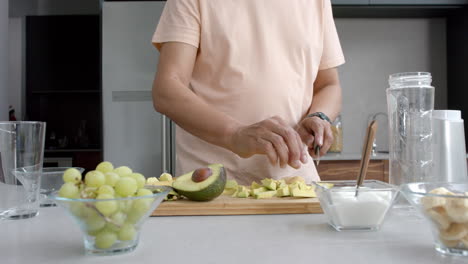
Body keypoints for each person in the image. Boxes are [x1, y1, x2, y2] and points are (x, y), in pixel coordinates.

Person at [152, 0, 345, 185]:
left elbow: (328, 85)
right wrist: (235, 134)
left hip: (296, 183)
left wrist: (319, 116)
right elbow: (167, 90)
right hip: (214, 184)